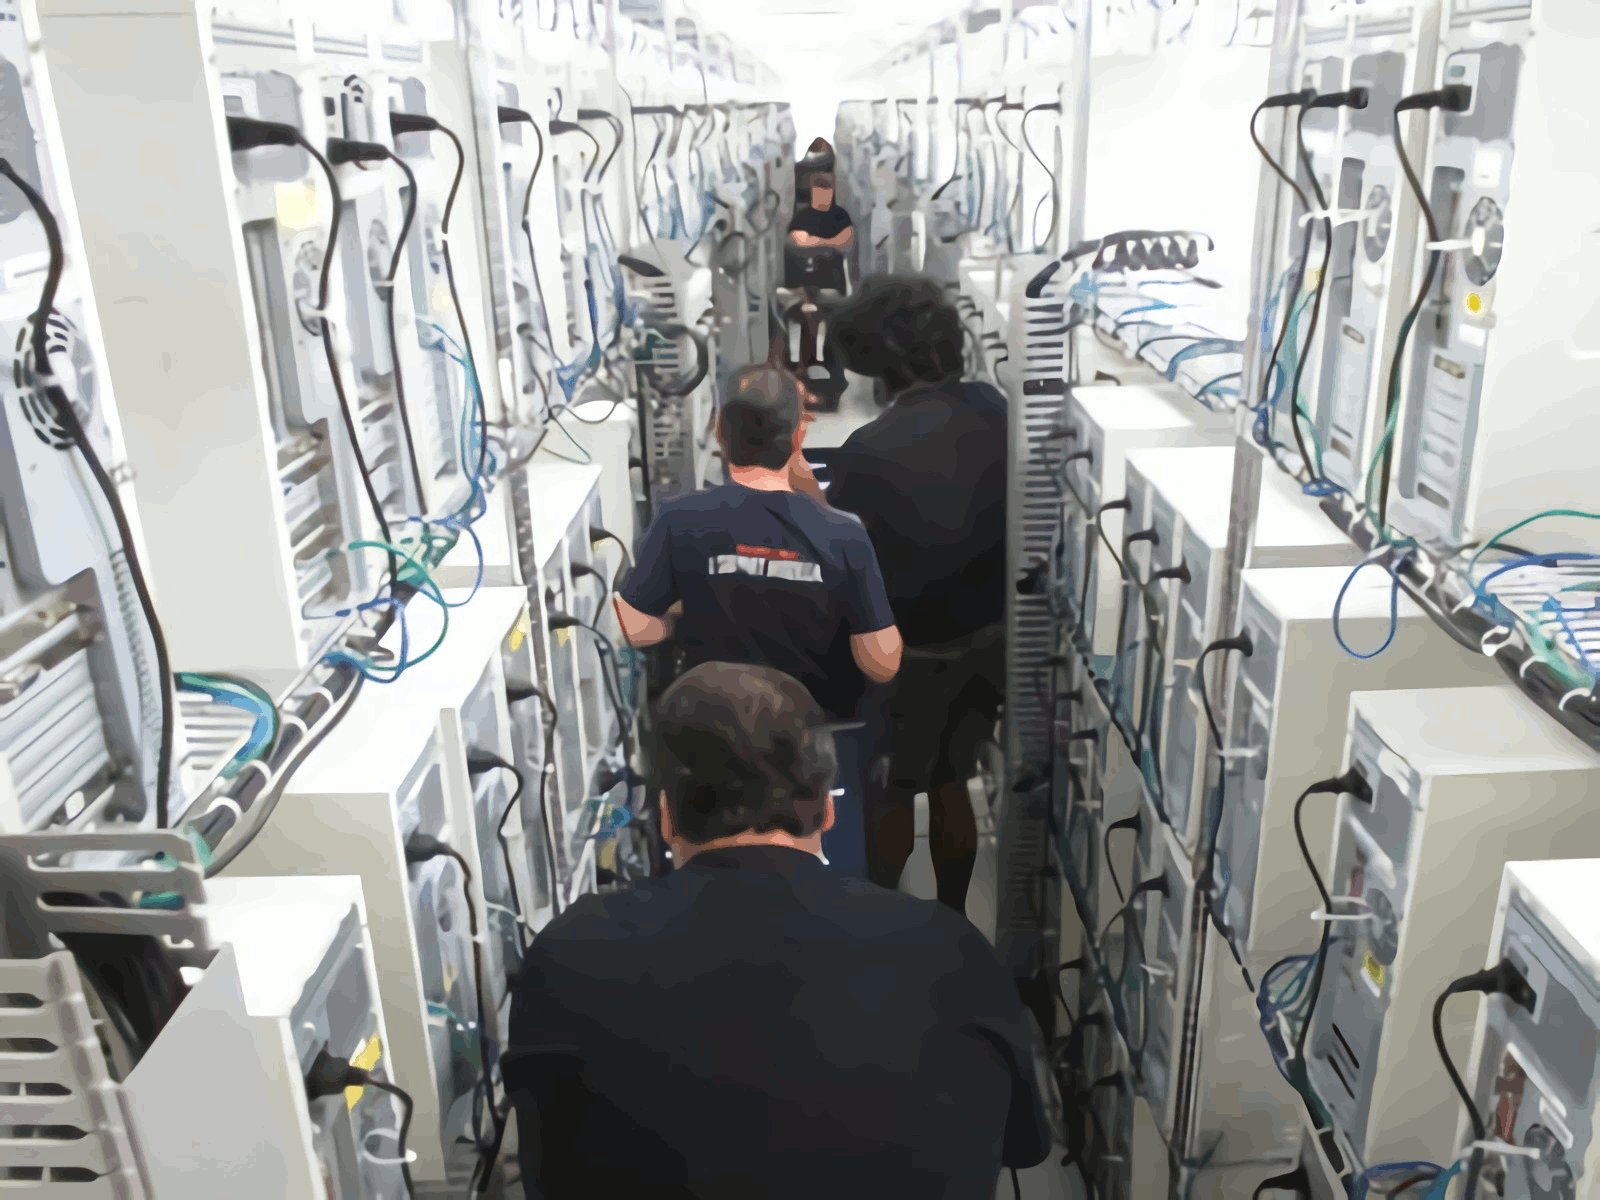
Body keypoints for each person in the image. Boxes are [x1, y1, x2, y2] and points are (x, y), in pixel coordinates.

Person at [502, 662, 1052, 1198]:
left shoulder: (570, 955)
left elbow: (545, 1172)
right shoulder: (951, 952)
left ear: (666, 817)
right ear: (827, 812)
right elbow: (1020, 1146)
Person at [614, 364, 902, 873]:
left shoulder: (681, 519)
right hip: (814, 740)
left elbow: (635, 626)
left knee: (716, 878)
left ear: (720, 433)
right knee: (822, 880)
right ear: (797, 437)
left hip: (714, 737)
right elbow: (881, 662)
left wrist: (684, 614)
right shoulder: (841, 534)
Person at [824, 273, 1009, 913]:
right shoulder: (996, 409)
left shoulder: (866, 452)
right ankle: (954, 917)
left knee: (894, 789)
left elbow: (845, 566)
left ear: (879, 369)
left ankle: (887, 914)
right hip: (991, 645)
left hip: (911, 658)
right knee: (956, 776)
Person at [787, 171, 854, 253]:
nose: (824, 192)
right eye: (821, 187)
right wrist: (832, 242)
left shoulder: (841, 214)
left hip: (835, 263)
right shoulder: (802, 216)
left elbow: (847, 241)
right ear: (813, 191)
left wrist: (816, 241)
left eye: (827, 188)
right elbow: (800, 240)